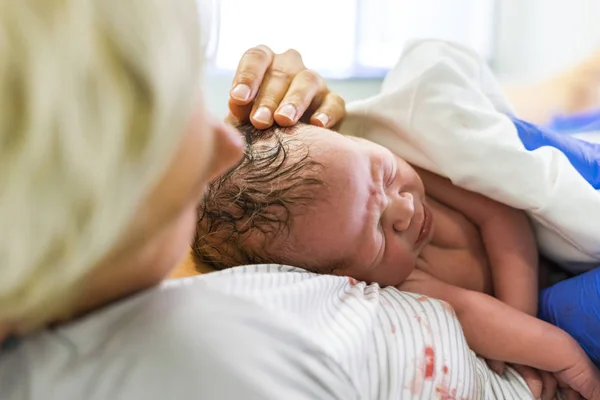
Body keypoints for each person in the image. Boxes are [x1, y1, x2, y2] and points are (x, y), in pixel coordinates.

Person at [194, 121, 600, 397]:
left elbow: (503, 215)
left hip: (545, 252)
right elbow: (470, 312)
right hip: (548, 290)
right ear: (343, 277)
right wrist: (557, 351)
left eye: (384, 173)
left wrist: (530, 327)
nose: (403, 208)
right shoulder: (403, 285)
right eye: (376, 231)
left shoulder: (425, 174)